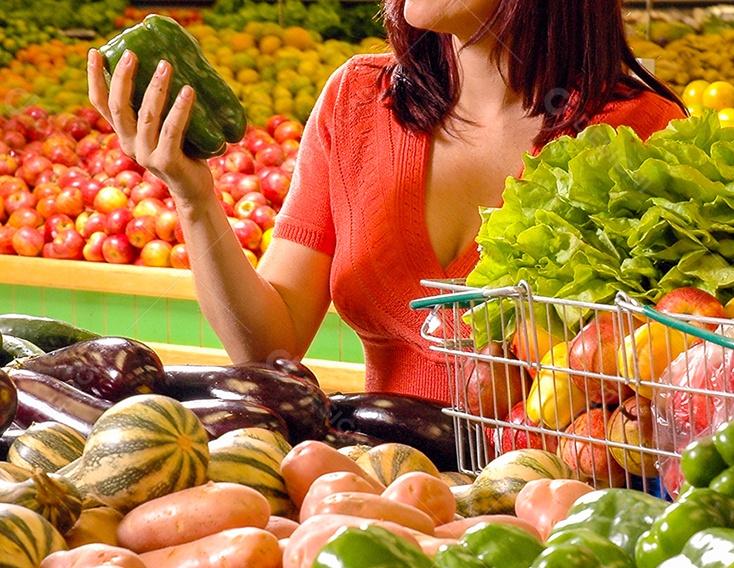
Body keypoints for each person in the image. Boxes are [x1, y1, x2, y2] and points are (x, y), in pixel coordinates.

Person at [88, 0, 685, 402]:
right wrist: (194, 197)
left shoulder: (643, 135)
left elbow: (666, 380)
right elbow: (269, 346)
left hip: (560, 513)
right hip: (385, 497)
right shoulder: (357, 100)